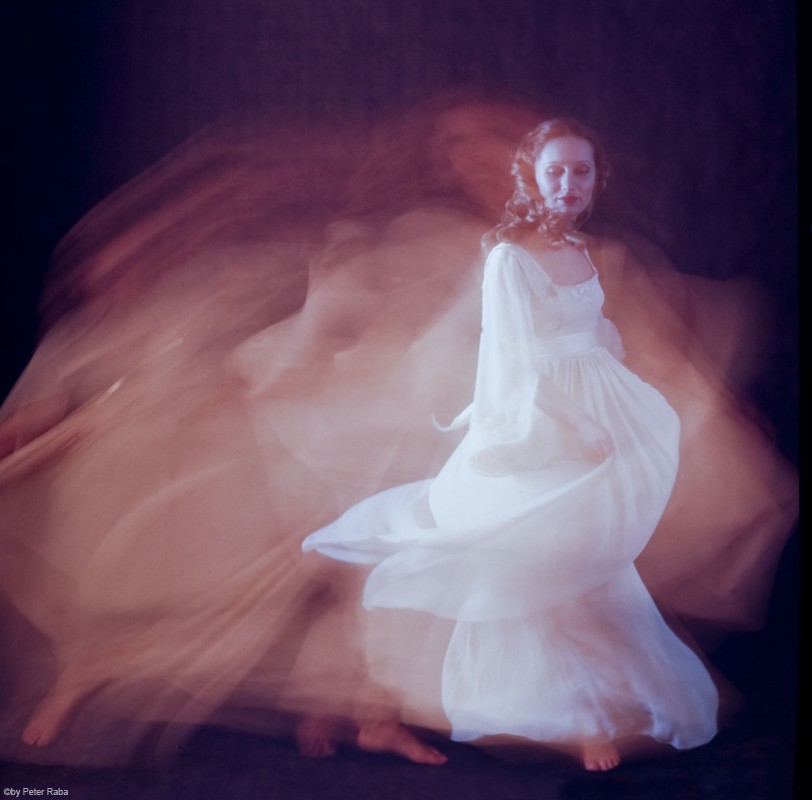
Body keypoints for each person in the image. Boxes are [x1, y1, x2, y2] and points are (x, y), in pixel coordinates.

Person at [302, 118, 721, 771]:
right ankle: (580, 720)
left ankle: (598, 707)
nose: (568, 183)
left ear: (597, 179)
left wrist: (624, 391)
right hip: (537, 420)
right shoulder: (508, 256)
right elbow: (514, 357)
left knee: (589, 564)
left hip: (597, 404)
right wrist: (578, 424)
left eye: (581, 171)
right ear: (531, 178)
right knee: (533, 562)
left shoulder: (582, 248)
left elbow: (591, 332)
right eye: (555, 171)